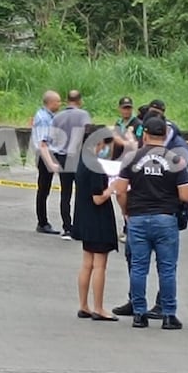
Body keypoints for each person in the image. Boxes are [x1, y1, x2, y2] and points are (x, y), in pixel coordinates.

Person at [113, 114, 188, 329]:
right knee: (167, 269)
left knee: (139, 267)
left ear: (145, 135)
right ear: (165, 135)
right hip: (166, 218)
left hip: (138, 218)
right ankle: (168, 315)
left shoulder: (132, 157)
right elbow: (186, 195)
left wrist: (126, 211)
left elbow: (120, 190)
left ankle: (139, 314)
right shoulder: (176, 159)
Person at [71, 137, 120, 321]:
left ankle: (84, 305)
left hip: (84, 218)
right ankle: (98, 308)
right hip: (98, 220)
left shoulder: (81, 161)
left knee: (87, 264)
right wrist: (112, 188)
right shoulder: (96, 165)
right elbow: (98, 198)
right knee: (100, 265)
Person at [50, 89, 91, 239]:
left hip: (62, 157)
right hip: (78, 157)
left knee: (65, 193)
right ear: (79, 101)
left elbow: (52, 138)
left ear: (67, 100)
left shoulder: (57, 117)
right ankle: (79, 228)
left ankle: (67, 227)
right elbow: (87, 135)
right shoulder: (83, 115)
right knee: (81, 192)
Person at [32, 90, 62, 235]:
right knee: (43, 189)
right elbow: (43, 143)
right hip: (45, 155)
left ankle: (42, 221)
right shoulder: (44, 118)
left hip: (47, 154)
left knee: (44, 189)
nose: (60, 104)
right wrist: (50, 163)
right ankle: (42, 222)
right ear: (50, 103)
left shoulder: (48, 116)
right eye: (57, 101)